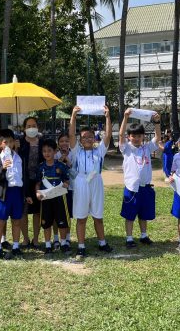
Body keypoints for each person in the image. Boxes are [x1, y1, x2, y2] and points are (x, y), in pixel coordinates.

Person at [69, 105, 113, 259]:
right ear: (80, 140)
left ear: (94, 138)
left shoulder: (99, 151)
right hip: (81, 182)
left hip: (96, 182)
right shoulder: (76, 151)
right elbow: (71, 135)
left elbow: (108, 135)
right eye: (84, 137)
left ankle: (102, 242)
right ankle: (81, 246)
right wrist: (73, 116)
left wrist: (107, 117)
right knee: (81, 217)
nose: (87, 139)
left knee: (98, 216)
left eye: (90, 136)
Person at [119, 108, 161, 248]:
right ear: (129, 137)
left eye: (139, 136)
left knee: (144, 214)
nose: (136, 138)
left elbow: (157, 138)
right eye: (133, 136)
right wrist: (125, 118)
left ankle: (144, 235)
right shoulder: (126, 148)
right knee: (130, 215)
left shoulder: (147, 148)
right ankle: (129, 238)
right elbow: (120, 135)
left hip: (145, 187)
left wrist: (157, 122)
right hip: (132, 188)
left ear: (143, 136)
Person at [36, 139, 71, 255]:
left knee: (62, 221)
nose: (47, 153)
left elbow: (67, 180)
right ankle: (47, 245)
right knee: (46, 223)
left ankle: (63, 244)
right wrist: (37, 193)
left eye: (49, 151)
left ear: (55, 151)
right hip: (46, 199)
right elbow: (37, 183)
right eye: (44, 151)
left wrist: (66, 184)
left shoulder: (61, 165)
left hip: (60, 198)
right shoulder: (40, 167)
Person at [0, 129, 24, 259]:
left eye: (11, 141)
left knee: (16, 220)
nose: (9, 144)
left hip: (17, 192)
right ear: (0, 143)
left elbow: (22, 176)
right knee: (0, 221)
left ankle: (16, 246)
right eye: (5, 142)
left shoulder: (18, 157)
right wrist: (3, 168)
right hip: (4, 194)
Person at [18, 116, 44, 248]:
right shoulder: (19, 142)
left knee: (37, 211)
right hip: (23, 181)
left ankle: (36, 238)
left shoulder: (42, 142)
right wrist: (16, 148)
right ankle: (25, 238)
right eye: (28, 126)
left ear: (37, 127)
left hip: (39, 181)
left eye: (34, 125)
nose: (31, 128)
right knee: (23, 211)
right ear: (24, 128)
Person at [53, 133, 74, 247]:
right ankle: (56, 238)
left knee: (67, 214)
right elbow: (54, 171)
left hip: (69, 188)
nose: (64, 143)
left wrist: (68, 160)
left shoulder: (74, 154)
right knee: (56, 214)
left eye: (66, 141)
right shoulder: (55, 155)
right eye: (61, 141)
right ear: (58, 143)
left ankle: (67, 237)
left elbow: (74, 171)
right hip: (57, 189)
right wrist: (61, 161)